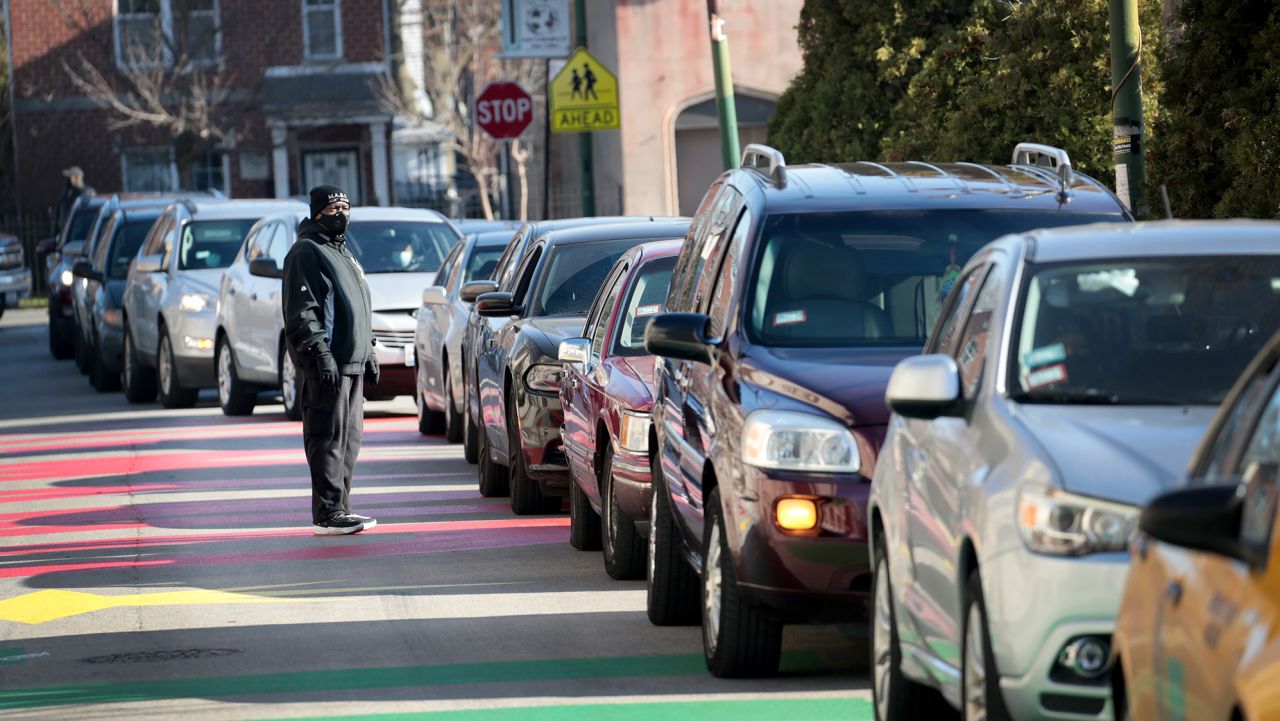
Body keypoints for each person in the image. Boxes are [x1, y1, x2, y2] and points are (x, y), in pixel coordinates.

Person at [282, 185, 381, 535]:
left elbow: (357, 305)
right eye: (333, 207)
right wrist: (319, 355)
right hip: (329, 365)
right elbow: (303, 313)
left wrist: (368, 349)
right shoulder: (306, 253)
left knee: (350, 439)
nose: (340, 213)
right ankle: (327, 513)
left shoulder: (344, 252)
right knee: (327, 437)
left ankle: (342, 507)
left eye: (345, 206)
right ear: (316, 212)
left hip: (351, 363)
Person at [56, 166, 93, 231]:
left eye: (71, 177)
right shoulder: (66, 194)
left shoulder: (87, 192)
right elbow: (59, 215)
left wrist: (77, 187)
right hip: (65, 232)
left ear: (78, 177)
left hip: (80, 231)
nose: (69, 180)